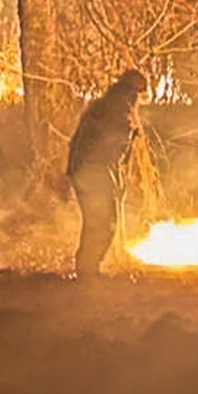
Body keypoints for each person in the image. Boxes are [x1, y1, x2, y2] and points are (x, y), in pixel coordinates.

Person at [66, 68, 147, 279]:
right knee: (103, 223)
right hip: (94, 173)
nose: (137, 99)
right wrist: (129, 137)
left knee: (97, 221)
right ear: (130, 93)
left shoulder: (104, 106)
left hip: (84, 171)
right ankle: (87, 272)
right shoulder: (117, 111)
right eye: (137, 94)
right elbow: (113, 149)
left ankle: (86, 270)